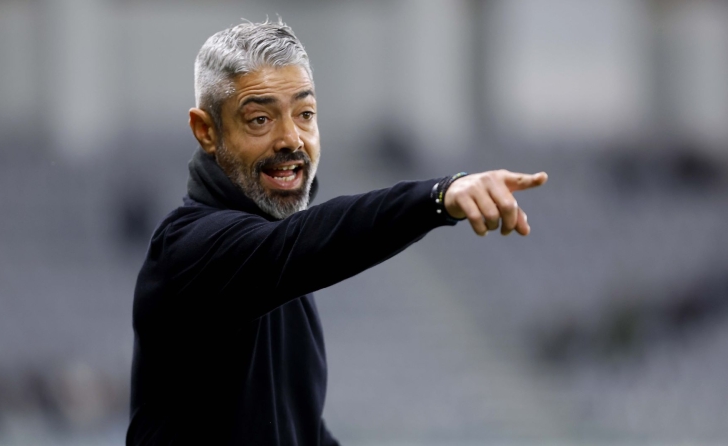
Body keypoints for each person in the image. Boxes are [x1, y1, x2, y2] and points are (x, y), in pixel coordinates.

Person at [126, 19, 547, 445]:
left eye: (305, 114)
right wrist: (437, 197)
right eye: (259, 119)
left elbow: (300, 430)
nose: (291, 139)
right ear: (207, 131)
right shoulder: (190, 249)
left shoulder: (280, 269)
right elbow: (306, 240)